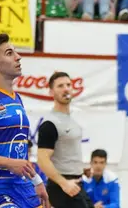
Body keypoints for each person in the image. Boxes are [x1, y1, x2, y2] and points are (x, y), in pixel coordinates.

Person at [0, 34, 51, 208]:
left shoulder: (16, 99)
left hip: (23, 186)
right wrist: (8, 163)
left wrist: (36, 181)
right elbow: (13, 161)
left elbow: (19, 151)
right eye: (9, 53)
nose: (18, 56)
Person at [37, 71, 92, 208]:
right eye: (60, 86)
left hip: (77, 184)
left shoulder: (71, 120)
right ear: (51, 92)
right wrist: (63, 183)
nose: (66, 88)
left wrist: (80, 168)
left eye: (68, 85)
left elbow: (65, 152)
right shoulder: (50, 124)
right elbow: (42, 160)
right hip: (62, 188)